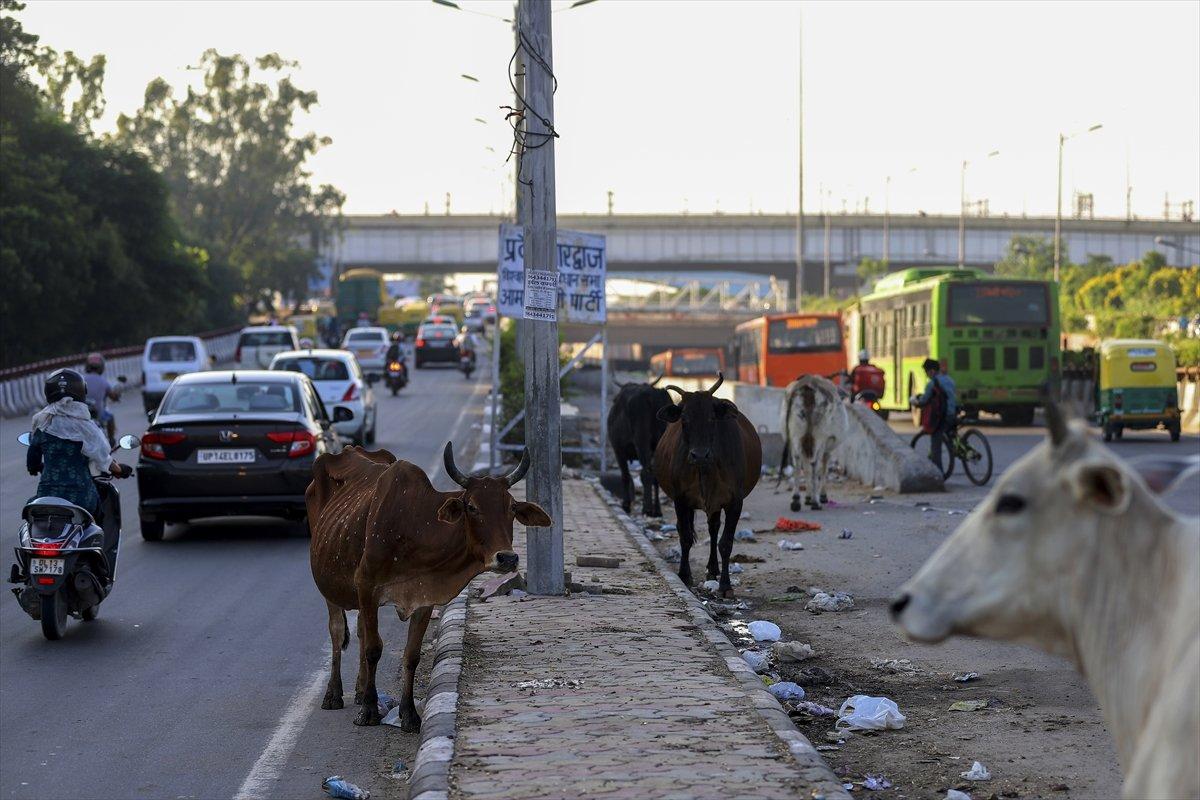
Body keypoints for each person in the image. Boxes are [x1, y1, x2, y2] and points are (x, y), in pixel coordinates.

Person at [28, 369, 132, 572]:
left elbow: (32, 461)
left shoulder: (42, 422)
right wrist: (120, 469)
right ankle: (97, 565)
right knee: (99, 518)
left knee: (31, 518)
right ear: (81, 392)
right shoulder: (86, 425)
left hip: (47, 494)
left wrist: (38, 468)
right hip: (81, 496)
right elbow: (104, 459)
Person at [910, 357, 958, 471]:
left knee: (936, 443)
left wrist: (915, 402)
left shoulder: (932, 384)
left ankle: (939, 473)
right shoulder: (950, 380)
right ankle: (953, 448)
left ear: (931, 371)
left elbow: (923, 401)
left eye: (926, 372)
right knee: (950, 436)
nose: (926, 375)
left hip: (942, 417)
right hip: (953, 414)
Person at [83, 353, 121, 446]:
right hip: (98, 414)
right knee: (110, 417)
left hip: (82, 413)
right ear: (101, 367)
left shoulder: (81, 379)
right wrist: (117, 396)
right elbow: (113, 396)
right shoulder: (103, 382)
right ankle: (111, 440)